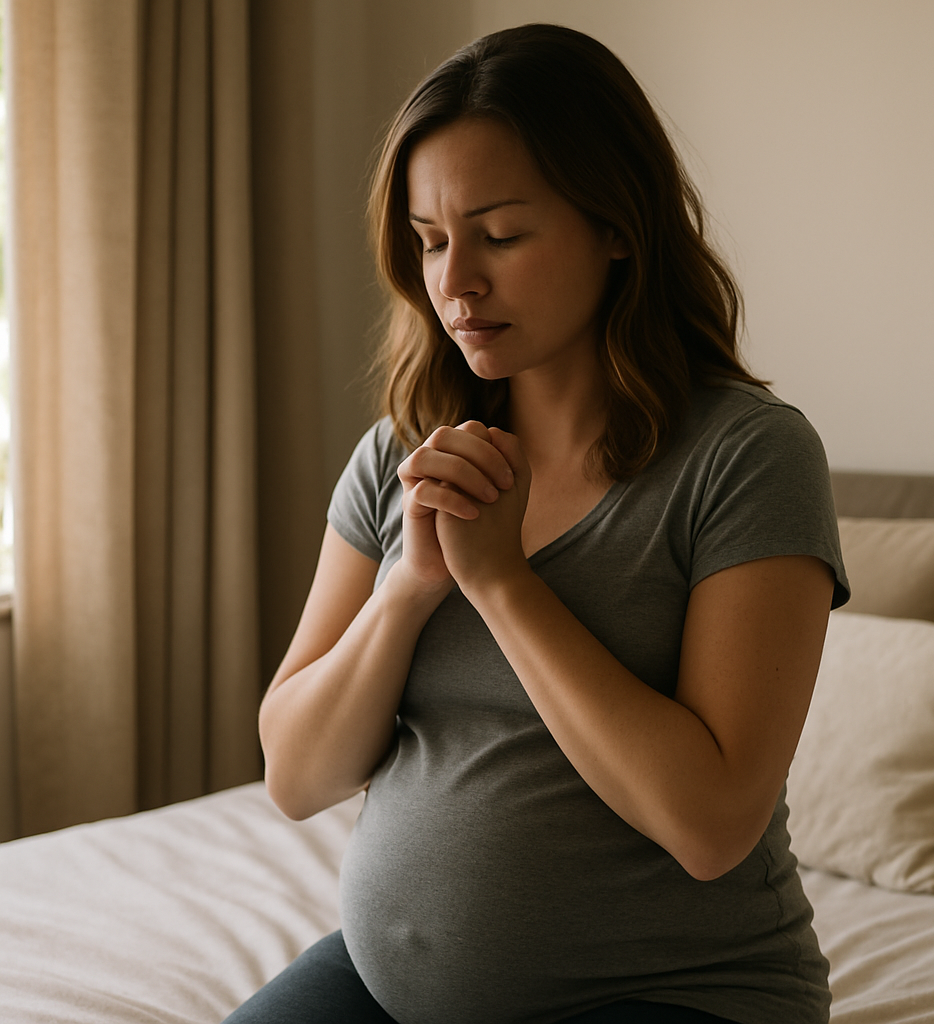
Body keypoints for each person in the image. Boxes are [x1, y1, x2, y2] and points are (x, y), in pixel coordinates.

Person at [226, 22, 849, 1024]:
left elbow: (709, 822)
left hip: (675, 995)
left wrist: (503, 582)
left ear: (616, 225)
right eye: (430, 242)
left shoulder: (749, 457)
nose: (455, 283)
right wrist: (410, 588)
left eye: (501, 235)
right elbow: (295, 776)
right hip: (384, 985)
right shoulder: (400, 454)